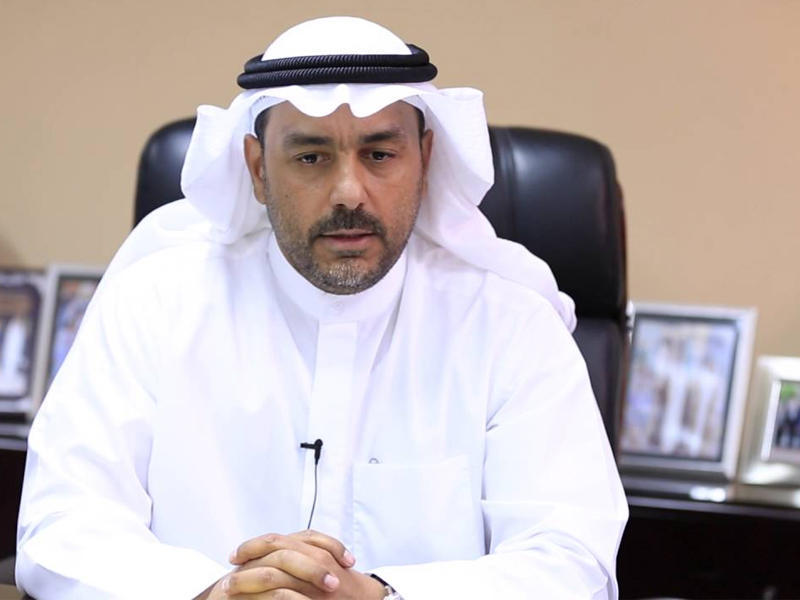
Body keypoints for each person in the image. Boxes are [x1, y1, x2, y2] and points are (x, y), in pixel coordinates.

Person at [16, 16, 627, 600]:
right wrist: (214, 591)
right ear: (258, 169)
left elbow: (573, 562)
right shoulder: (154, 304)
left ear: (425, 160)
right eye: (311, 157)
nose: (349, 193)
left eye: (380, 155)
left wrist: (384, 595)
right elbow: (61, 525)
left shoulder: (510, 324)